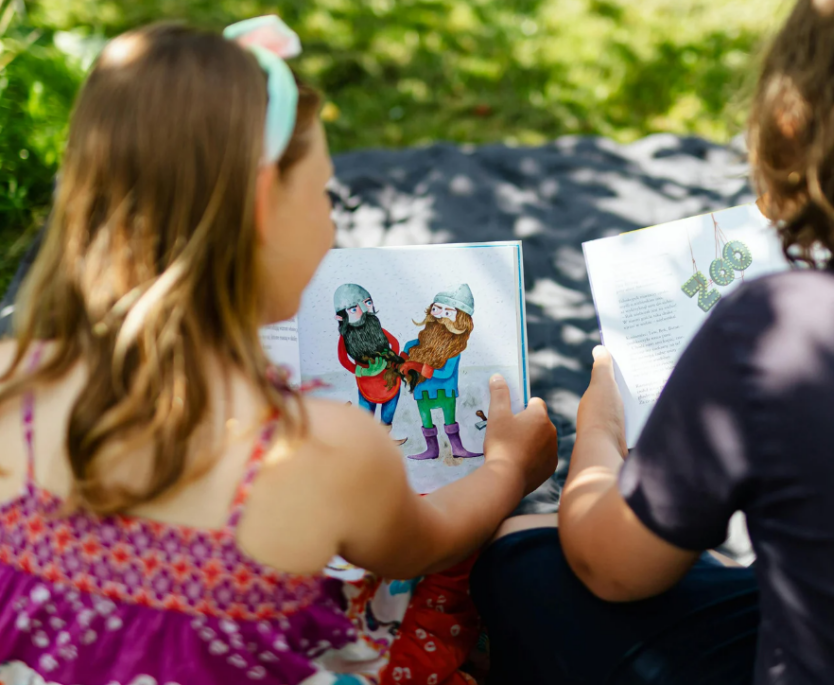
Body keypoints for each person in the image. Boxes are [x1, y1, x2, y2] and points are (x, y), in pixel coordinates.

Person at [472, 0, 834, 683]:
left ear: (790, 128)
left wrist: (599, 436)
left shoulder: (776, 330)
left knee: (524, 553)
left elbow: (612, 569)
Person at [0, 17, 556, 685]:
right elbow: (427, 540)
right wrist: (506, 467)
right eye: (323, 192)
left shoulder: (11, 380)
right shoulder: (320, 446)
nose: (331, 217)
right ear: (264, 205)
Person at [401, 286, 483, 460]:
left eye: (448, 312)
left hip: (445, 390)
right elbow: (402, 364)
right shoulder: (415, 345)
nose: (440, 316)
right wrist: (402, 360)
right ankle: (431, 450)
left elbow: (445, 373)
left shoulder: (454, 349)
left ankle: (457, 448)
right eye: (437, 309)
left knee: (449, 419)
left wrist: (417, 366)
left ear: (460, 320)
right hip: (421, 389)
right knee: (426, 420)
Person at [334, 283, 407, 445]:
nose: (363, 310)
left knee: (388, 411)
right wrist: (362, 371)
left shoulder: (375, 326)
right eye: (354, 309)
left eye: (367, 303)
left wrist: (389, 360)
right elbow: (343, 359)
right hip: (366, 383)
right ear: (341, 317)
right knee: (366, 412)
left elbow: (394, 343)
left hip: (389, 379)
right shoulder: (346, 337)